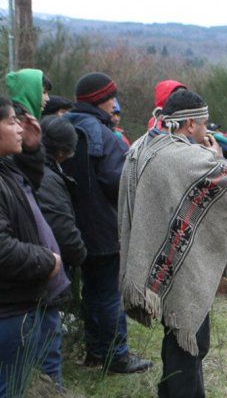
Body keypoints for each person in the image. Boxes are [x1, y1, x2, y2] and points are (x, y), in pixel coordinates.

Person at [120, 90, 227, 398]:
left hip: (162, 255)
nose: (207, 130)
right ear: (190, 123)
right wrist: (217, 158)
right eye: (204, 124)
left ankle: (168, 392)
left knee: (177, 336)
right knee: (189, 339)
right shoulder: (185, 156)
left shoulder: (145, 145)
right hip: (182, 266)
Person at [61, 72, 151, 373]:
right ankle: (117, 355)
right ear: (101, 99)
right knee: (109, 294)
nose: (115, 103)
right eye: (111, 97)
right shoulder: (101, 134)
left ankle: (95, 353)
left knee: (91, 292)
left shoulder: (65, 125)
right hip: (102, 227)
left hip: (72, 227)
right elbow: (118, 181)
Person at [0, 96, 65, 398]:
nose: (19, 128)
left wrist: (32, 149)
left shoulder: (5, 170)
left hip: (17, 304)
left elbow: (26, 184)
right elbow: (2, 250)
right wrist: (47, 260)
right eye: (11, 121)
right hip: (8, 308)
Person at [37, 116, 89, 387]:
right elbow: (61, 225)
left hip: (35, 267)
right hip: (42, 272)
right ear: (61, 152)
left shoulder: (32, 169)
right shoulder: (46, 178)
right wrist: (79, 253)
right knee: (47, 346)